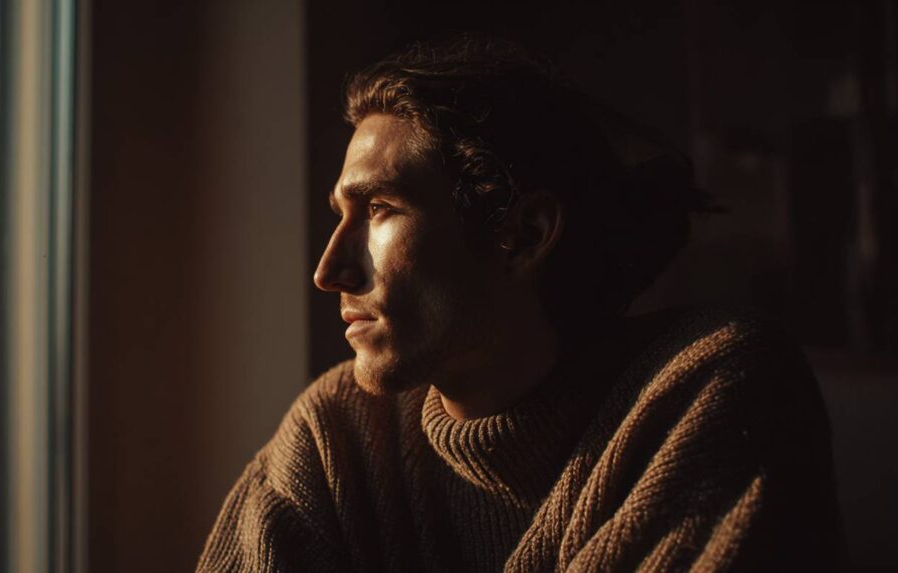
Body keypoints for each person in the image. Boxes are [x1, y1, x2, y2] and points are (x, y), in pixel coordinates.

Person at [196, 37, 842, 572]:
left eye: (382, 210)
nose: (329, 271)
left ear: (523, 236)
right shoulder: (338, 434)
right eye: (341, 214)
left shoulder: (706, 386)